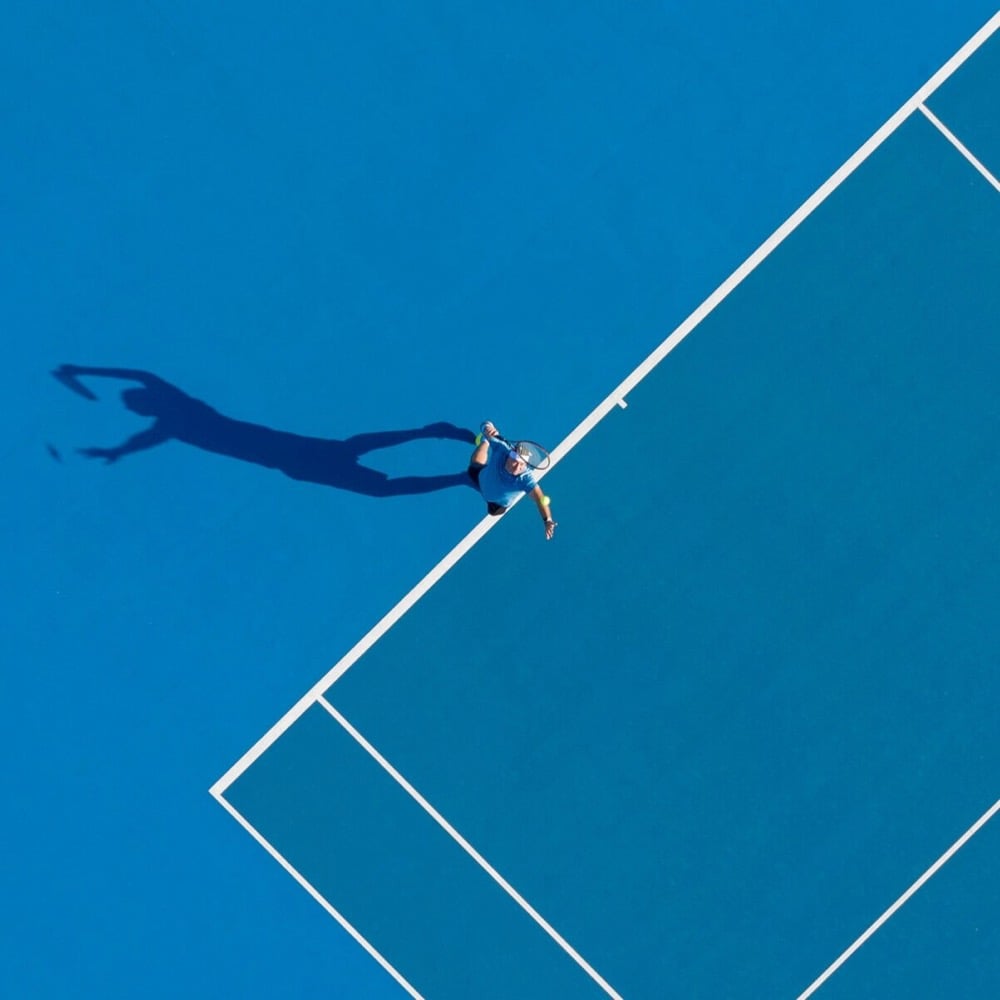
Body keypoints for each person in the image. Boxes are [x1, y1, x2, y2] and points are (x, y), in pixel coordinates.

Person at [468, 421, 557, 540]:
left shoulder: (525, 479)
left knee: (493, 513)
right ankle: (484, 442)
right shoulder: (501, 448)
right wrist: (488, 431)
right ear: (509, 456)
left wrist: (547, 520)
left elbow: (540, 499)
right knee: (474, 464)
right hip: (481, 478)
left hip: (496, 504)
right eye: (515, 461)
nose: (517, 467)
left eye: (522, 465)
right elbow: (485, 424)